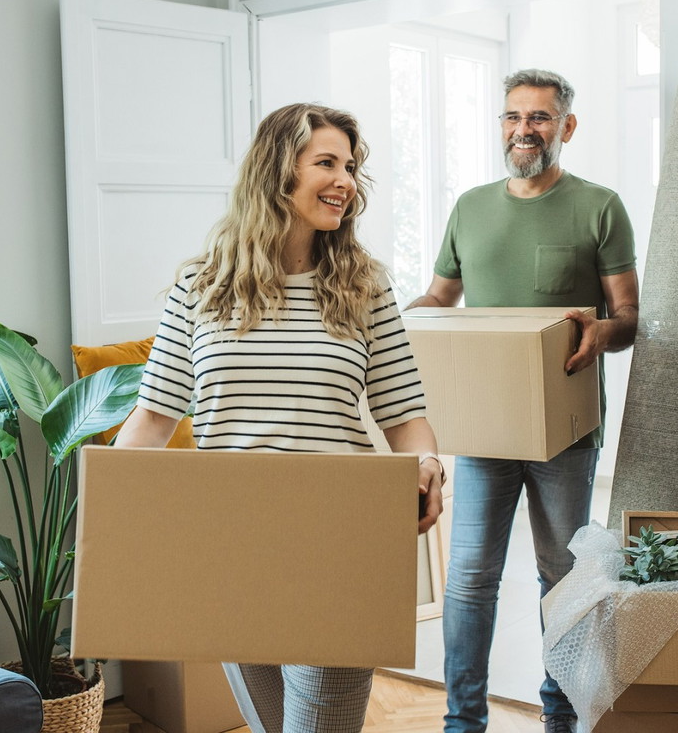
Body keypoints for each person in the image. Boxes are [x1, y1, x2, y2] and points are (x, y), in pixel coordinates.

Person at [114, 102, 446, 733]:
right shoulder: (201, 288)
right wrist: (109, 515)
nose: (345, 180)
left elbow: (405, 418)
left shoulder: (364, 287)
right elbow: (153, 418)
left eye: (350, 166)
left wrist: (426, 464)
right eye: (326, 162)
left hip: (339, 542)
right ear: (276, 172)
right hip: (231, 543)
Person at [406, 69, 639, 733]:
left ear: (566, 127)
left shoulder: (599, 207)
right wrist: (392, 322)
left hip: (563, 434)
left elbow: (628, 315)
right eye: (512, 117)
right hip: (483, 428)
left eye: (538, 118)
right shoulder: (471, 208)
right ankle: (463, 722)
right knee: (471, 581)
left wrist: (603, 332)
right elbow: (439, 300)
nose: (523, 130)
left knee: (561, 580)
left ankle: (559, 719)